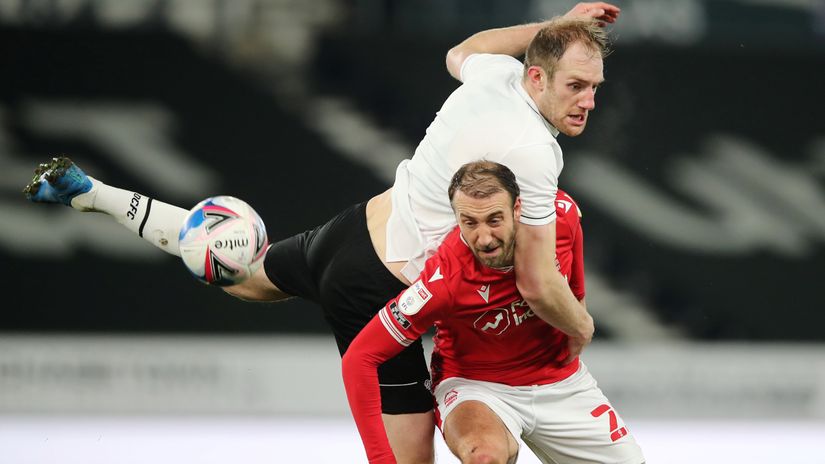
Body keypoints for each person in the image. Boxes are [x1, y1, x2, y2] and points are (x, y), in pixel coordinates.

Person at [23, 4, 621, 463]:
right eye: (576, 86)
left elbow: (462, 50)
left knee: (239, 275)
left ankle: (93, 193)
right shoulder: (533, 151)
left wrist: (555, 26)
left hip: (351, 234)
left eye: (594, 87)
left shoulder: (496, 77)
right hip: (382, 291)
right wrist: (582, 326)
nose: (588, 101)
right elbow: (538, 283)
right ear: (539, 77)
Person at [342, 161, 644, 464]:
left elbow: (573, 265)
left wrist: (578, 307)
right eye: (470, 222)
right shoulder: (444, 281)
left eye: (494, 220)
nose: (484, 238)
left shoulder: (560, 215)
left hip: (562, 383)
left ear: (517, 209)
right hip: (477, 388)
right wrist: (381, 460)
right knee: (485, 458)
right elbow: (360, 357)